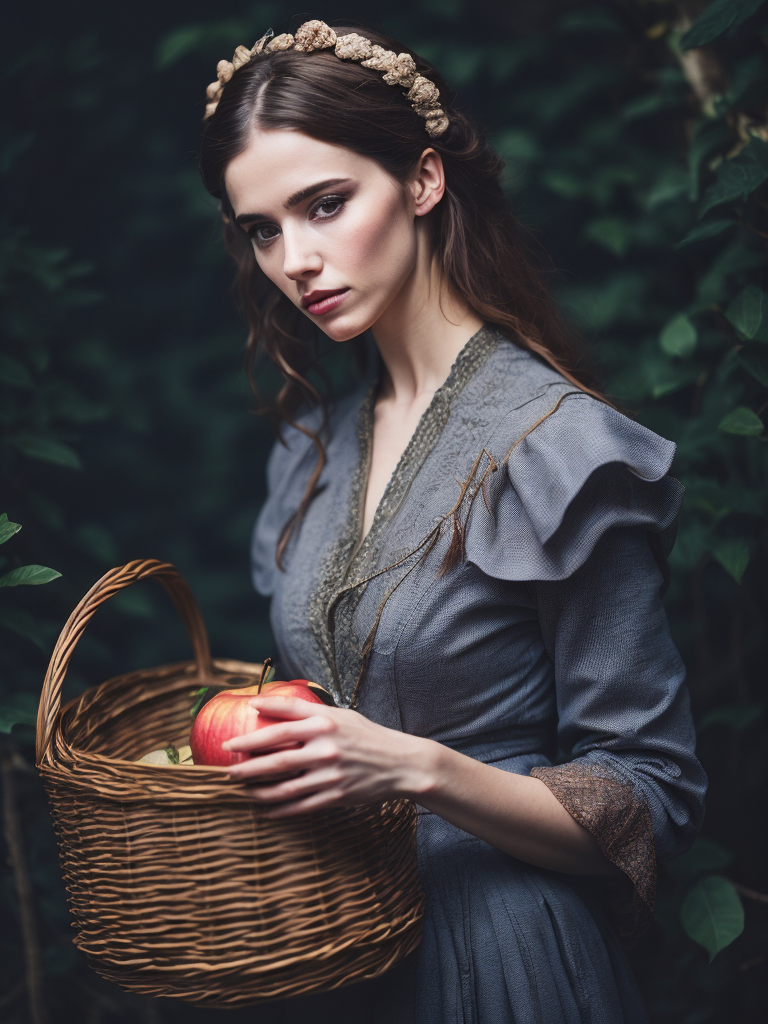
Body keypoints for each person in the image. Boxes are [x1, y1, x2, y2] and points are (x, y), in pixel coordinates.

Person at [198, 19, 707, 1023]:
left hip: (503, 953)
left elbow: (648, 792)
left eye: (326, 204)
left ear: (424, 181)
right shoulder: (313, 447)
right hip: (336, 947)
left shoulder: (557, 449)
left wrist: (413, 765)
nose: (296, 258)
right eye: (262, 228)